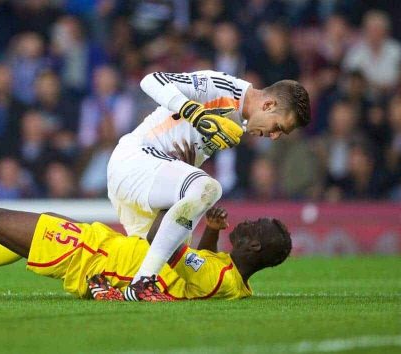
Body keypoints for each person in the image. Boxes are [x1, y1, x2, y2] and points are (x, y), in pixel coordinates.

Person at [107, 68, 309, 300]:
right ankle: (141, 284)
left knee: (165, 265)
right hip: (135, 160)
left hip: (150, 181)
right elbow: (150, 80)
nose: (274, 136)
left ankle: (105, 284)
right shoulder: (223, 88)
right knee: (209, 188)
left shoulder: (238, 125)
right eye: (279, 127)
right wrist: (195, 113)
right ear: (269, 105)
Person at [0, 204, 292, 302]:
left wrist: (176, 197)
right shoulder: (229, 279)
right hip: (104, 249)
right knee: (19, 229)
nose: (249, 223)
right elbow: (192, 263)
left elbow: (167, 240)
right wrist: (210, 232)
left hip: (95, 259)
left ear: (254, 246)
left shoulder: (219, 280)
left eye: (257, 228)